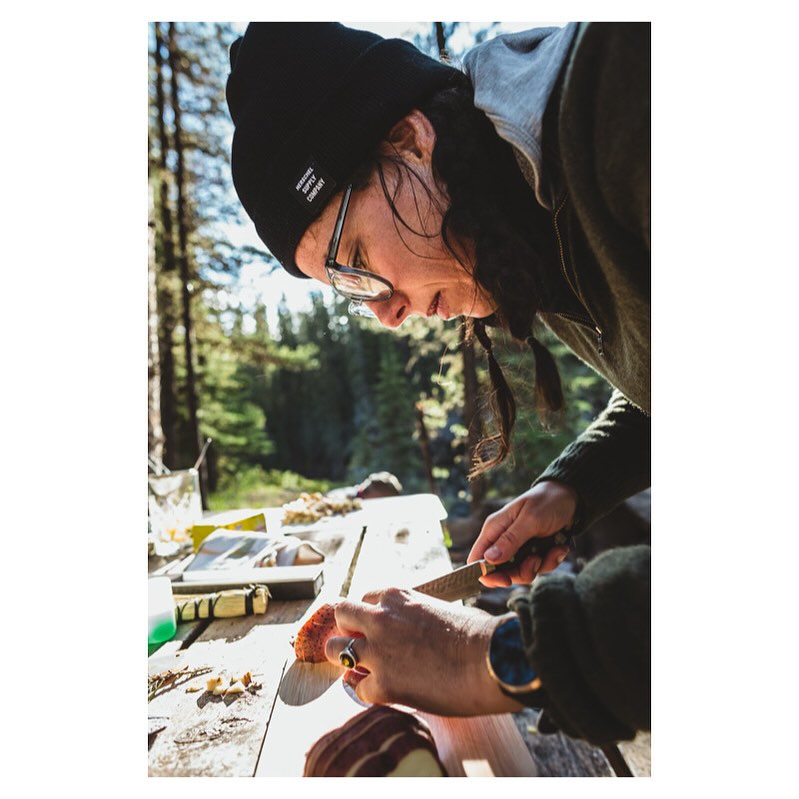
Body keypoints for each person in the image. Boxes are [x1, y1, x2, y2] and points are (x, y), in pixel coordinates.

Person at [225, 21, 650, 745]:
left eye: (356, 257)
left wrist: (489, 657)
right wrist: (573, 486)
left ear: (411, 141)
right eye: (351, 292)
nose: (385, 313)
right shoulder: (523, 225)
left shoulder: (629, 98)